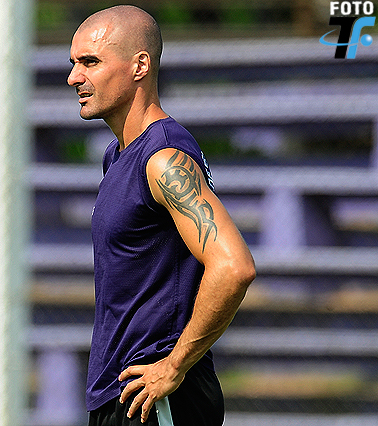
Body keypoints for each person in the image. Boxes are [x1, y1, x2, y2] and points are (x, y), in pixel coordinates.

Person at [67, 5, 257, 426]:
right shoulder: (118, 154)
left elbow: (233, 267)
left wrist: (174, 365)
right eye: (74, 63)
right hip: (123, 393)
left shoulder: (164, 157)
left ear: (140, 66)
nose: (74, 77)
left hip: (156, 396)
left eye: (90, 62)